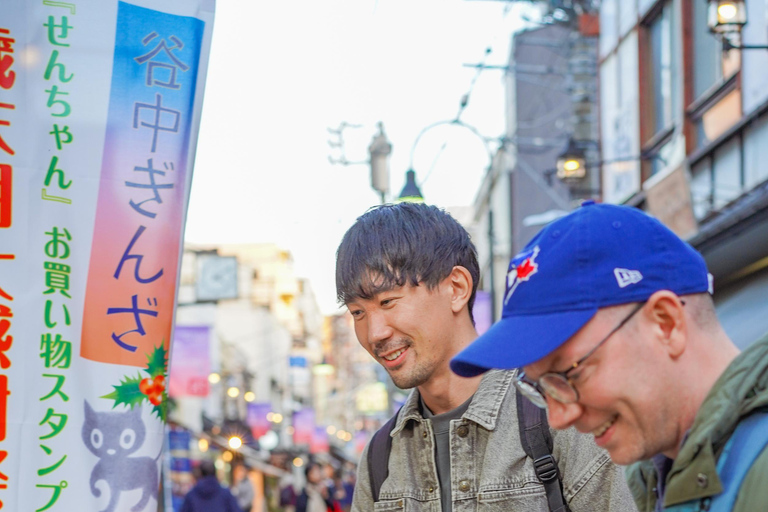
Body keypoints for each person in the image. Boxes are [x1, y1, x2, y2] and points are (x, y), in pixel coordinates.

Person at [451, 201, 768, 511]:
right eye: (538, 388)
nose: (559, 417)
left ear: (666, 323)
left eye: (570, 374)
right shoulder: (660, 475)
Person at [335, 202, 636, 511]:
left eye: (387, 302)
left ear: (456, 288)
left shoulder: (558, 416)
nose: (374, 333)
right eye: (358, 312)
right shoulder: (380, 457)